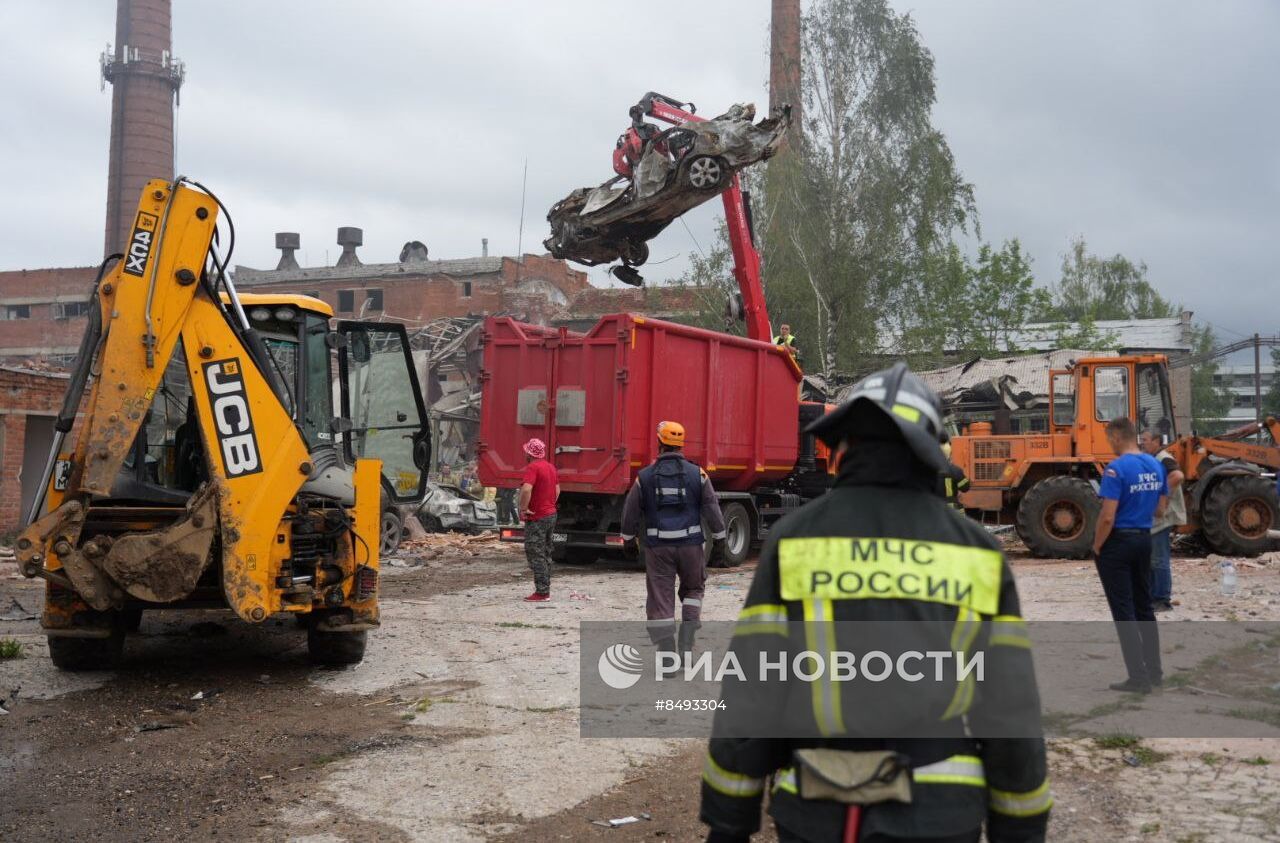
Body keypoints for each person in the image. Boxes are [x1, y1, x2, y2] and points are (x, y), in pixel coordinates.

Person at [700, 363, 1050, 843]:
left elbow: (751, 696)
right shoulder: (976, 552)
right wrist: (1022, 830)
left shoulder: (793, 541)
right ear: (930, 450)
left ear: (842, 448)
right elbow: (1011, 710)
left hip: (816, 815)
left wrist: (728, 824)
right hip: (939, 816)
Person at [621, 421, 727, 653]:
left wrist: (628, 540)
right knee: (693, 589)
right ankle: (687, 641)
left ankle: (666, 653)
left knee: (661, 597)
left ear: (659, 443)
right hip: (691, 547)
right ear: (681, 445)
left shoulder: (645, 477)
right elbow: (712, 507)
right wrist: (720, 539)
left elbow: (630, 511)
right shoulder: (698, 475)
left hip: (658, 548)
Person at [1092, 417, 1166, 693]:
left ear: (1116, 436)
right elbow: (1160, 510)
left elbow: (1107, 516)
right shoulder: (1156, 465)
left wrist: (1097, 545)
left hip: (1118, 543)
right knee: (1144, 608)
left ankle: (1138, 677)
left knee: (1124, 611)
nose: (1109, 443)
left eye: (1109, 438)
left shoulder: (1115, 469)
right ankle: (1155, 671)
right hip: (1144, 539)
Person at [1140, 428, 1184, 612]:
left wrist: (1159, 494)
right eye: (1141, 440)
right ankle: (1152, 597)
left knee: (1159, 559)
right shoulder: (1154, 459)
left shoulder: (1164, 458)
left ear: (1157, 441)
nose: (1142, 443)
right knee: (1152, 558)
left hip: (1164, 515)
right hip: (1157, 515)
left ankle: (1162, 600)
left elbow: (1177, 476)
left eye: (1146, 440)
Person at [518, 438, 559, 602]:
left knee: (535, 552)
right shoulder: (550, 467)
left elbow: (526, 489)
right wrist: (549, 503)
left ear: (529, 453)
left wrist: (523, 508)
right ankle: (545, 587)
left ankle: (542, 592)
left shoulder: (532, 467)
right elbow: (557, 490)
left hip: (538, 516)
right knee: (546, 551)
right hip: (550, 514)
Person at [938, 439, 971, 513]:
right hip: (953, 509)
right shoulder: (955, 470)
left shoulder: (926, 470)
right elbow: (965, 488)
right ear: (949, 454)